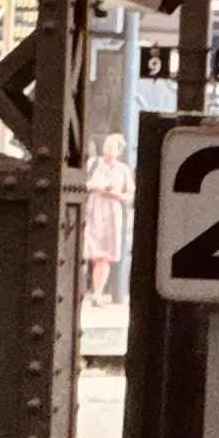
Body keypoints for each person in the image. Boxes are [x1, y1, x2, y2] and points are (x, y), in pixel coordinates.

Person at [82, 130, 133, 306]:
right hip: (93, 211)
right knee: (87, 250)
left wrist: (118, 195)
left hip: (112, 214)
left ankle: (97, 294)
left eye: (111, 147)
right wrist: (96, 186)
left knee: (103, 257)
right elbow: (80, 184)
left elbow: (131, 194)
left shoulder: (123, 170)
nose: (107, 149)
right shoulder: (93, 164)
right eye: (106, 145)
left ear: (119, 151)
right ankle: (81, 291)